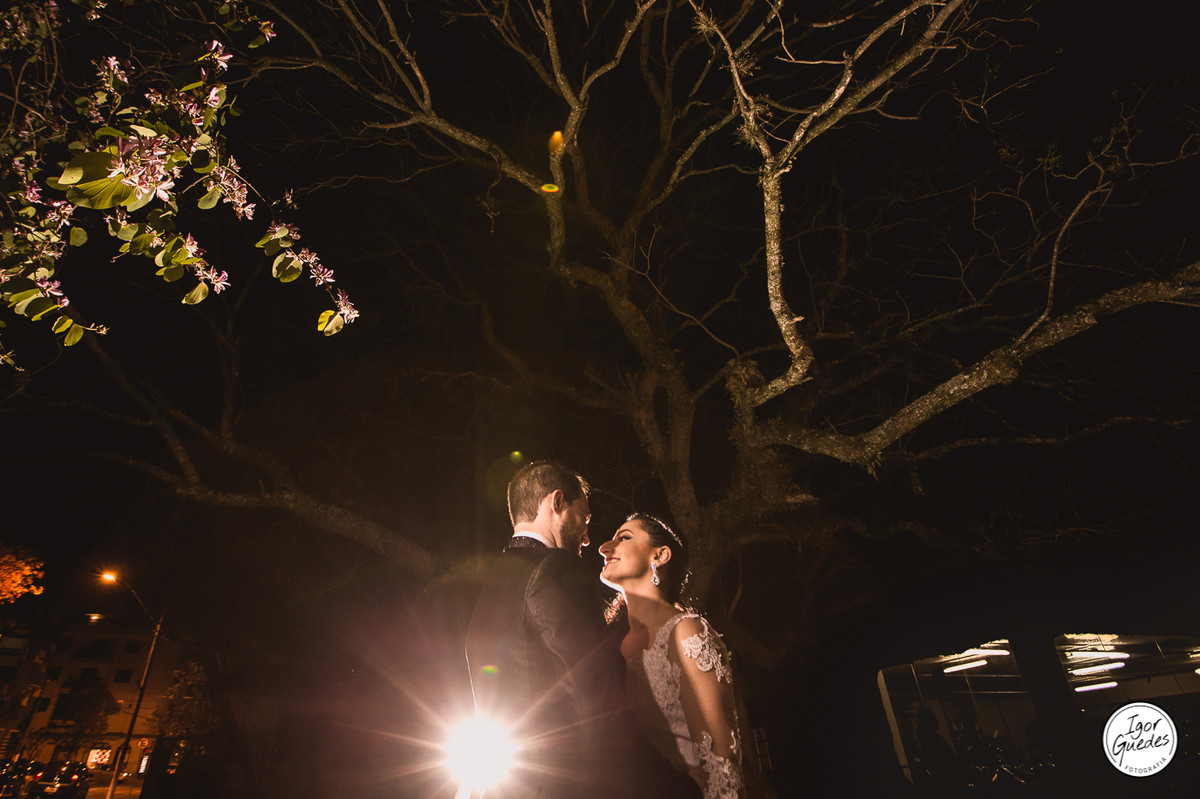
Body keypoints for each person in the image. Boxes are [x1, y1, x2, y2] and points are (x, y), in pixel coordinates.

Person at [465, 462, 698, 799]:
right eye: (584, 519)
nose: (588, 539)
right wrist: (676, 788)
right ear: (557, 503)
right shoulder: (556, 569)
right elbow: (600, 704)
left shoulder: (490, 590)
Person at [598, 513, 746, 799]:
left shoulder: (686, 632)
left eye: (623, 537)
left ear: (660, 555)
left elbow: (721, 757)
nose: (605, 546)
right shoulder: (611, 646)